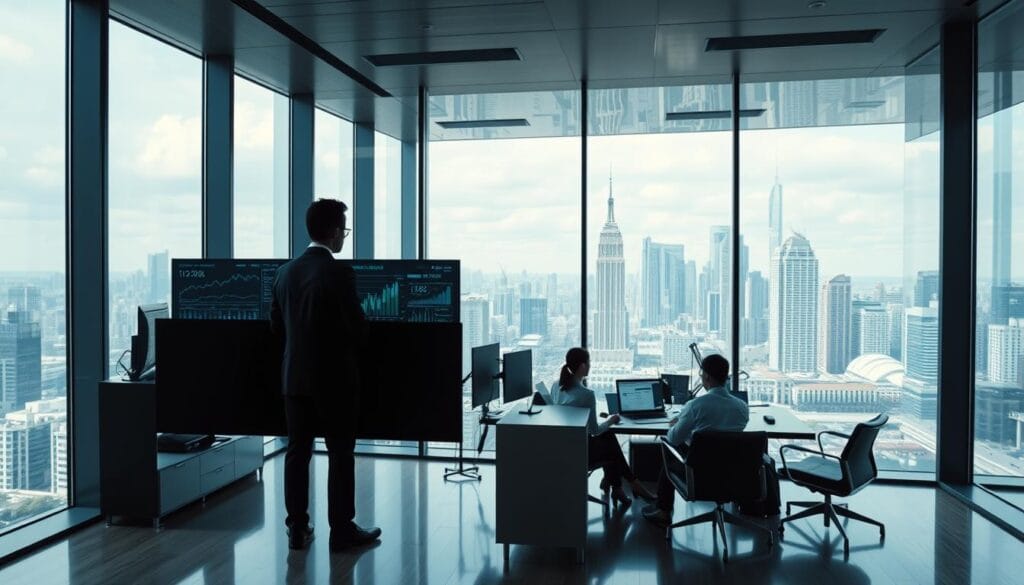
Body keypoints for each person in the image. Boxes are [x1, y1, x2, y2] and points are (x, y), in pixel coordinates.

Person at [270, 199, 381, 552]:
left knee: (297, 453)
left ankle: (297, 530)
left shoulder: (284, 272)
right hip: (334, 381)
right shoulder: (338, 273)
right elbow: (356, 328)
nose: (344, 238)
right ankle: (341, 530)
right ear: (334, 232)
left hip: (294, 378)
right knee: (340, 453)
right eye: (344, 231)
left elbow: (276, 326)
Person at [641, 353, 749, 526]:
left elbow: (674, 439)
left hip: (698, 474)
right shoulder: (742, 407)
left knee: (669, 451)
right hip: (732, 474)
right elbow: (725, 437)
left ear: (705, 376)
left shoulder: (696, 405)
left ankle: (663, 510)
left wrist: (674, 425)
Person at [553, 347, 656, 507]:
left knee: (609, 438)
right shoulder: (586, 394)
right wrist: (611, 420)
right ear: (582, 366)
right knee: (610, 444)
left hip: (561, 449)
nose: (590, 366)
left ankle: (617, 486)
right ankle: (629, 484)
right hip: (580, 453)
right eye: (589, 363)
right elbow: (595, 431)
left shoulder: (556, 386)